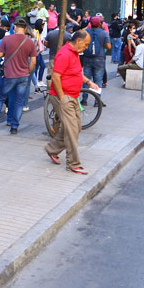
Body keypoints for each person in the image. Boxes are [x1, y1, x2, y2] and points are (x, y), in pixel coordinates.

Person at [45, 30, 99, 175]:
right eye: (86, 44)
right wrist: (62, 98)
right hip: (64, 97)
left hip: (73, 96)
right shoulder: (64, 54)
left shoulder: (74, 53)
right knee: (71, 130)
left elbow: (76, 72)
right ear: (78, 41)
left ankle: (52, 149)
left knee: (76, 127)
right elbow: (56, 77)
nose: (86, 47)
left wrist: (89, 82)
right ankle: (73, 164)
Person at [0, 19, 37, 134]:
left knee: (0, 97)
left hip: (9, 74)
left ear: (14, 27)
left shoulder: (6, 39)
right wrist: (28, 71)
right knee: (19, 101)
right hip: (23, 75)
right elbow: (33, 62)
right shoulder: (30, 42)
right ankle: (14, 127)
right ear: (25, 29)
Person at [81, 16, 111, 106]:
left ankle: (84, 99)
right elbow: (109, 46)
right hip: (99, 58)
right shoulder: (104, 33)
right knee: (98, 80)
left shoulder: (86, 32)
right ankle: (97, 101)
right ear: (99, 23)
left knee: (86, 78)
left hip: (87, 57)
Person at [45, 23, 72, 87]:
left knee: (50, 75)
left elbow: (46, 44)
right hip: (64, 58)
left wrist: (51, 46)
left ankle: (49, 90)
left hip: (52, 57)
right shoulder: (68, 35)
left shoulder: (50, 34)